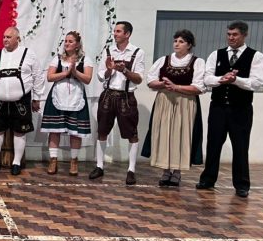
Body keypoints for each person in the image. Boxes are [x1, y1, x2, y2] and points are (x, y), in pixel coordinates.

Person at [197, 21, 263, 198]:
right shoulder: (216, 54)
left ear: (244, 35)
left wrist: (236, 80)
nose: (231, 38)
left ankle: (242, 184)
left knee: (240, 146)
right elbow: (207, 78)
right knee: (213, 144)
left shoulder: (256, 56)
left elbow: (256, 83)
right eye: (229, 34)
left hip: (241, 109)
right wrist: (222, 79)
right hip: (218, 107)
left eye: (235, 34)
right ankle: (208, 179)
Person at [142, 30, 205, 187]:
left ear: (189, 45)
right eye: (175, 40)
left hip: (185, 102)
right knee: (164, 134)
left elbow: (199, 87)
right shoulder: (163, 60)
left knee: (181, 135)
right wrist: (163, 84)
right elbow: (150, 81)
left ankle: (177, 172)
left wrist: (176, 87)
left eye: (181, 41)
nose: (177, 44)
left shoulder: (197, 62)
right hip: (164, 101)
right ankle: (165, 170)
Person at [89, 21, 145, 185]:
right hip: (108, 95)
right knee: (102, 131)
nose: (115, 34)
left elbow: (139, 79)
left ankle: (131, 170)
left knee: (132, 134)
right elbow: (101, 76)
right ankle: (99, 166)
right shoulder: (108, 51)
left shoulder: (137, 52)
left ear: (127, 34)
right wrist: (109, 70)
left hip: (126, 97)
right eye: (114, 31)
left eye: (118, 31)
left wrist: (124, 70)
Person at [0, 26, 45, 176]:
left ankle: (16, 163)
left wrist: (37, 98)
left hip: (21, 101)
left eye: (8, 37)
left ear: (17, 38)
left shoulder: (28, 54)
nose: (5, 40)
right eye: (4, 37)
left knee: (20, 131)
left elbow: (38, 76)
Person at [40, 31, 93, 176]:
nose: (67, 43)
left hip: (76, 97)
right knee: (54, 130)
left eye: (70, 41)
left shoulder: (85, 59)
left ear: (77, 45)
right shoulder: (57, 58)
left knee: (75, 132)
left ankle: (74, 161)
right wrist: (65, 73)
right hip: (58, 95)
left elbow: (88, 79)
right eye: (66, 41)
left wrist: (75, 72)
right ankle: (53, 160)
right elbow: (50, 77)